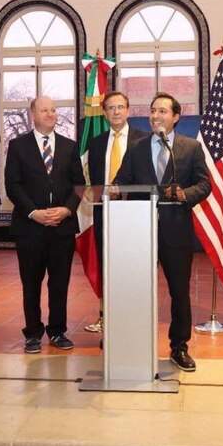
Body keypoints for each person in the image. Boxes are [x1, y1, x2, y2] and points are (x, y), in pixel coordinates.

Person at [114, 92, 211, 372]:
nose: (156, 116)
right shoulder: (136, 146)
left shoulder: (190, 147)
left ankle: (179, 347)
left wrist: (184, 194)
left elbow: (205, 185)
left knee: (179, 292)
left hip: (176, 231)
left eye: (163, 112)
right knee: (138, 290)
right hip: (139, 231)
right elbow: (122, 180)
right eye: (153, 111)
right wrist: (117, 189)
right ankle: (134, 344)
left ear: (176, 117)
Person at [4, 96, 86, 354]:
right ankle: (33, 333)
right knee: (31, 283)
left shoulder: (70, 147)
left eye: (53, 109)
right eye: (45, 110)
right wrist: (33, 212)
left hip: (61, 226)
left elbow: (79, 184)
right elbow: (13, 185)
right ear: (33, 115)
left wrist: (67, 209)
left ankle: (58, 331)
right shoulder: (17, 146)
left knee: (59, 283)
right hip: (30, 228)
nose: (51, 114)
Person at [84, 91, 148, 334]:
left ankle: (132, 316)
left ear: (128, 110)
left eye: (121, 107)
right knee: (106, 266)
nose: (116, 112)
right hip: (105, 213)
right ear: (104, 112)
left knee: (133, 267)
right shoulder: (97, 142)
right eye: (111, 108)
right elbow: (93, 179)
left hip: (135, 214)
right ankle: (105, 315)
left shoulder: (145, 140)